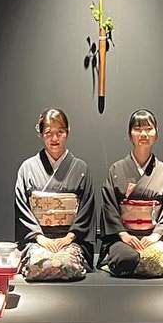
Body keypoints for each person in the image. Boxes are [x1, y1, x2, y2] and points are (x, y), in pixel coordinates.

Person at [14, 107, 96, 281]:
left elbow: (86, 210)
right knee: (39, 263)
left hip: (71, 240)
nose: (54, 138)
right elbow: (22, 210)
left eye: (60, 132)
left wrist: (69, 237)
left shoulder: (81, 168)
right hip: (38, 240)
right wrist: (40, 238)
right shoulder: (27, 168)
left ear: (68, 132)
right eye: (48, 133)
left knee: (66, 264)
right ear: (40, 134)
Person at [99, 109, 163, 278]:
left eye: (149, 129)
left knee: (156, 258)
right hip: (124, 238)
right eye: (137, 129)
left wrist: (156, 235)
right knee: (124, 257)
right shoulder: (116, 169)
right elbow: (109, 206)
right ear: (130, 134)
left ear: (156, 134)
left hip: (153, 238)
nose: (143, 134)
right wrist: (123, 234)